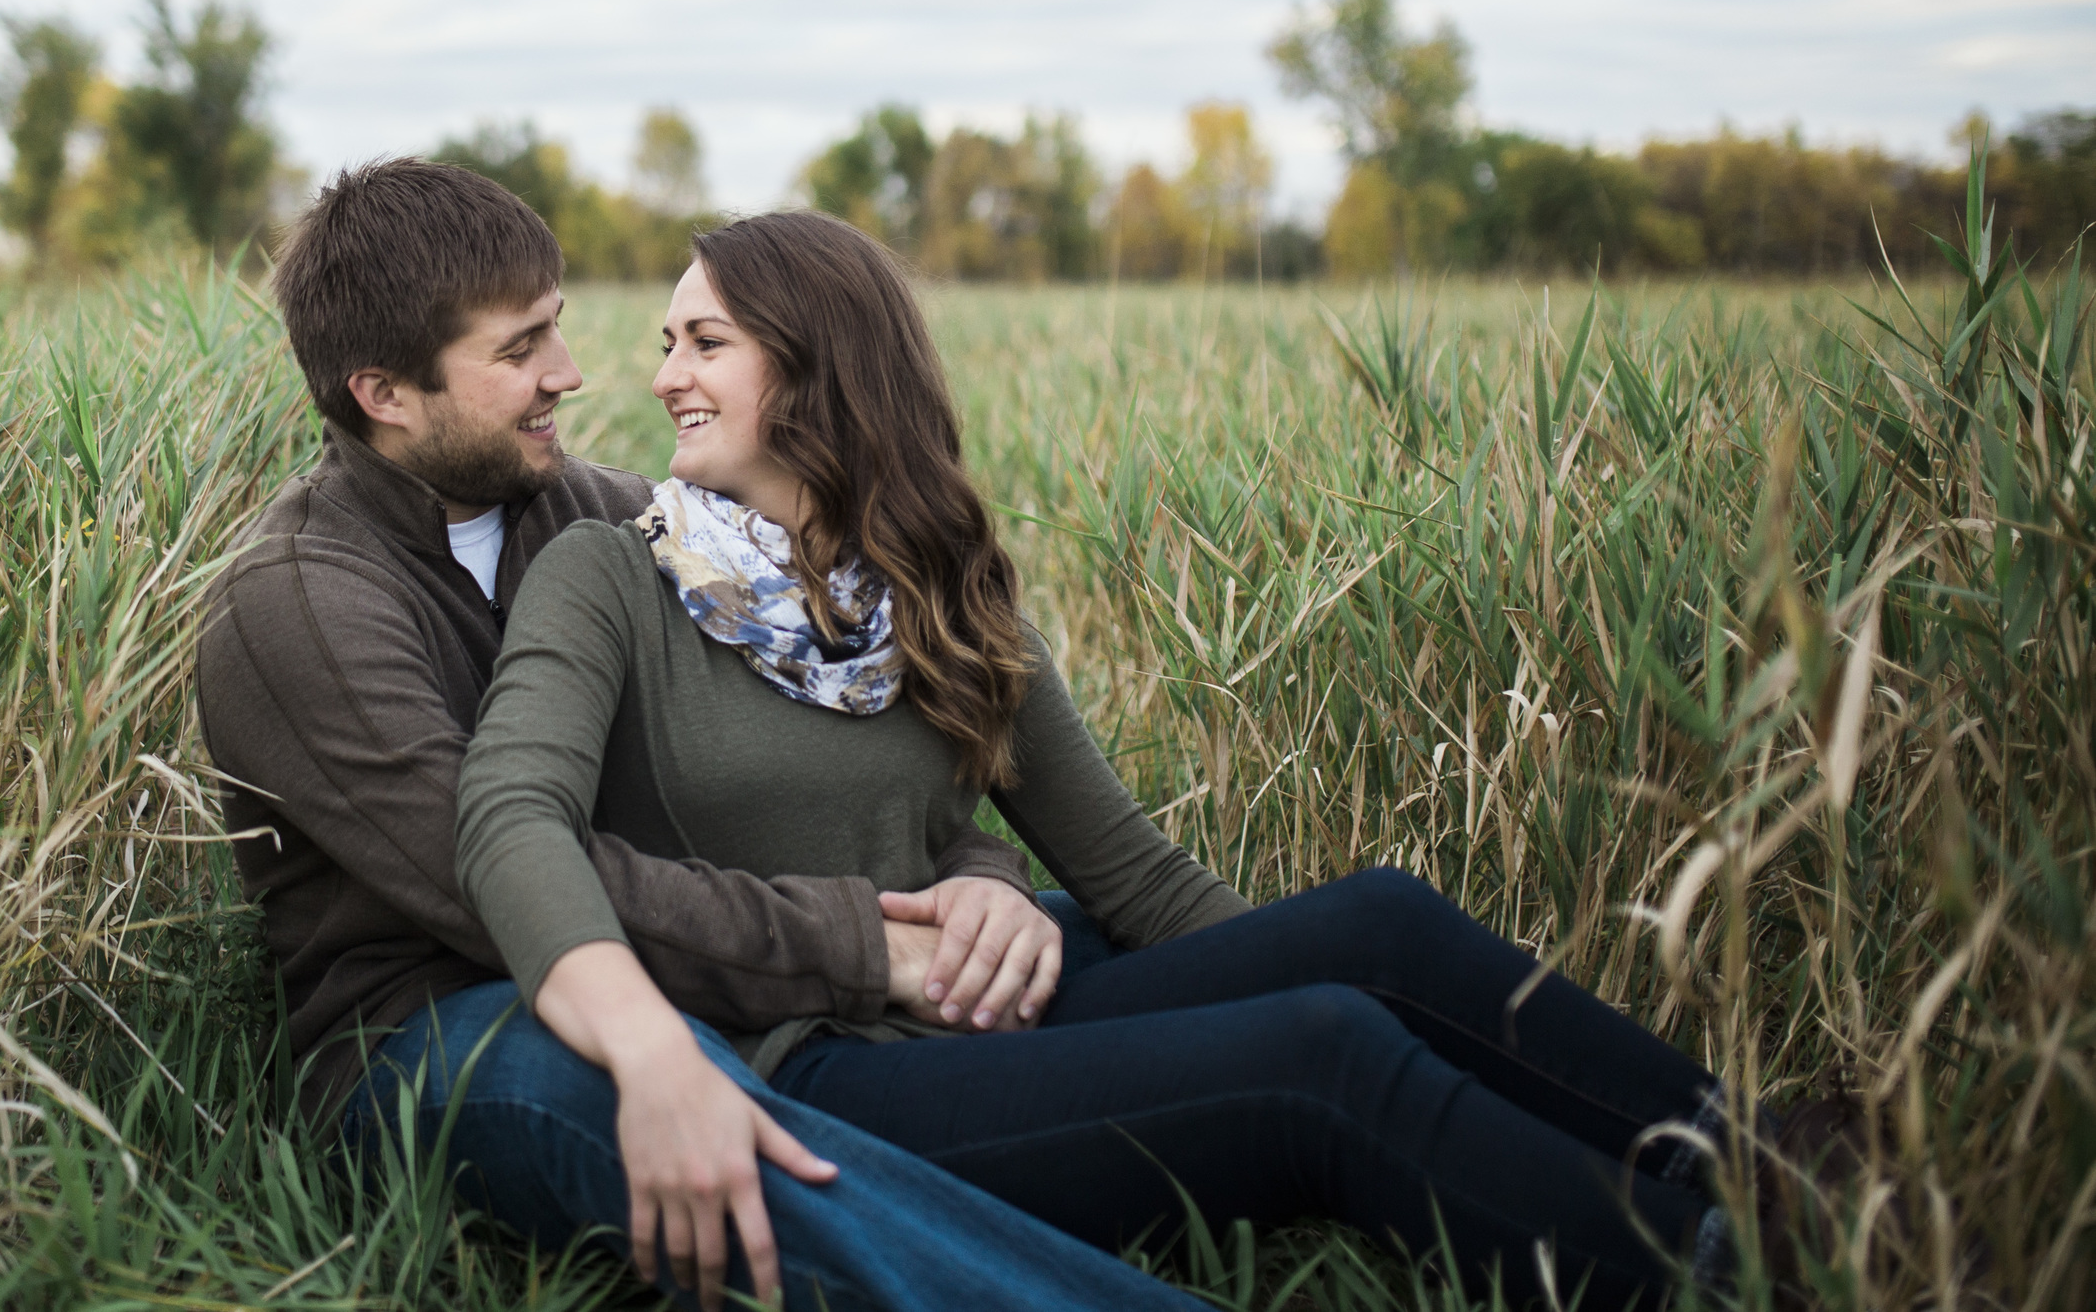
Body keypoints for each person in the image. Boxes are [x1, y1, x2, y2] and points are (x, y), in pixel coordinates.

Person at [456, 209, 1755, 1310]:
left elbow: (1135, 876)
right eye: (667, 343)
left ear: (819, 367)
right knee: (1317, 1053)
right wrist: (649, 1052)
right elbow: (513, 813)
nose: (665, 374)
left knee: (1377, 929)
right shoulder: (612, 572)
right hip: (818, 1063)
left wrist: (1237, 973)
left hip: (969, 1011)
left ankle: (1769, 1172)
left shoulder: (938, 591)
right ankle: (1722, 1269)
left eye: (707, 342)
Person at [198, 158, 1211, 1312]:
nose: (569, 377)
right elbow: (495, 881)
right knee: (703, 1115)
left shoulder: (611, 513)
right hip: (436, 1026)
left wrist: (979, 877)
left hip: (691, 975)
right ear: (383, 391)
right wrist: (864, 946)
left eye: (557, 331)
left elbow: (842, 732)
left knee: (1057, 951)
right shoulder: (295, 605)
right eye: (519, 349)